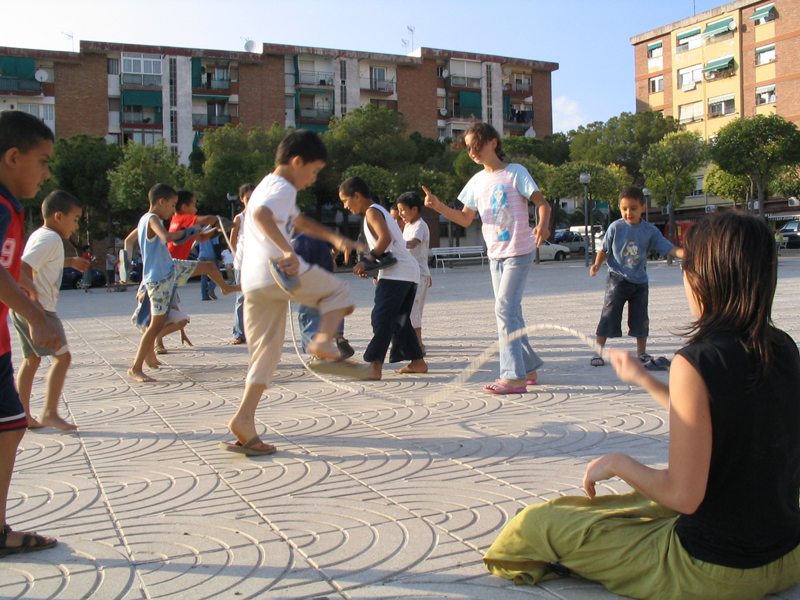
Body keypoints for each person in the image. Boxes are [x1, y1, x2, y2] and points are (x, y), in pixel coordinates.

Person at [485, 211, 800, 600]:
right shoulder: (782, 346)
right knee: (639, 503)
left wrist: (618, 463)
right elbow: (710, 417)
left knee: (538, 524)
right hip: (787, 556)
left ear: (704, 278)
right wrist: (646, 380)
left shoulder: (696, 360)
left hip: (714, 570)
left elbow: (683, 496)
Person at [222, 130, 362, 456]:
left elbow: (298, 222)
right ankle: (322, 343)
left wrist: (335, 238)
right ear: (297, 162)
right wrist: (288, 251)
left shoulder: (265, 186)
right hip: (279, 272)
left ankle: (244, 420)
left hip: (253, 283)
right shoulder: (283, 187)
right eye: (314, 171)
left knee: (265, 355)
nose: (313, 180)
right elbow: (262, 216)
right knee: (339, 293)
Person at [423, 121, 550, 394]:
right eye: (468, 148)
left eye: (477, 146)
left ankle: (513, 377)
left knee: (504, 309)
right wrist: (438, 206)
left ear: (493, 142)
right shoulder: (476, 182)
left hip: (519, 251)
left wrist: (542, 224)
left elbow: (542, 203)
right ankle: (528, 368)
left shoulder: (516, 172)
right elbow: (465, 219)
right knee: (511, 312)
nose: (472, 152)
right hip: (495, 256)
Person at [0, 110, 62, 557]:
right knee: (10, 426)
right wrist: (36, 316)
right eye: (42, 161)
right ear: (12, 157)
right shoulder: (1, 207)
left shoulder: (10, 208)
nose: (46, 173)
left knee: (11, 426)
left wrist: (24, 285)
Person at [125, 183, 238, 383]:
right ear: (161, 202)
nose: (173, 210)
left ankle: (226, 288)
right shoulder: (152, 219)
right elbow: (167, 237)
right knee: (155, 325)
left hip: (171, 268)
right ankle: (135, 368)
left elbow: (134, 240)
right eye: (172, 205)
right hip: (159, 278)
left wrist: (215, 230)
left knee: (209, 267)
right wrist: (191, 230)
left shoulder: (144, 219)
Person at [10, 190, 89, 431]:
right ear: (59, 216)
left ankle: (23, 414)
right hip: (39, 310)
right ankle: (49, 412)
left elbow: (38, 262)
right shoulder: (51, 238)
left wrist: (70, 262)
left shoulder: (41, 235)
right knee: (63, 358)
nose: (76, 226)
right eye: (75, 219)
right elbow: (22, 267)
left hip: (23, 307)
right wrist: (34, 300)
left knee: (31, 359)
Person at [339, 177, 427, 381]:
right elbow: (389, 247)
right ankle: (417, 362)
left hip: (398, 274)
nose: (345, 206)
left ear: (357, 196)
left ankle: (374, 366)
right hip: (406, 272)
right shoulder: (378, 211)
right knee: (399, 320)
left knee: (382, 319)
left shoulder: (371, 211)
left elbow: (385, 239)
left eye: (345, 200)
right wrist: (372, 268)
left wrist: (367, 261)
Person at [589, 186, 684, 367]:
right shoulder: (616, 227)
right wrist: (597, 264)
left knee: (641, 318)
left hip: (640, 282)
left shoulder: (650, 230)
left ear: (643, 208)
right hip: (617, 279)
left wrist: (687, 254)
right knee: (609, 315)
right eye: (624, 208)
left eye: (633, 208)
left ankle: (642, 352)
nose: (628, 213)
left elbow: (668, 248)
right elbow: (604, 249)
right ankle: (598, 353)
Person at [292, 233, 354, 359]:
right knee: (332, 313)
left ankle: (318, 355)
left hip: (311, 288)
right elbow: (336, 248)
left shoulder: (295, 244)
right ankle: (339, 337)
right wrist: (332, 257)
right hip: (330, 282)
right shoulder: (319, 237)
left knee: (309, 319)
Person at [395, 191, 432, 353]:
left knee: (414, 310)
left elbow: (412, 244)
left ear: (414, 209)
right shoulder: (409, 226)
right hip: (410, 274)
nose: (400, 214)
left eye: (403, 210)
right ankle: (412, 343)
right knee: (409, 310)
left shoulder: (420, 226)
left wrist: (393, 245)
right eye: (399, 210)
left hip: (418, 275)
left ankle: (418, 345)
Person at [230, 183, 254, 345]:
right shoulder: (239, 218)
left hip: (258, 263)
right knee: (241, 298)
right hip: (242, 263)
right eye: (248, 198)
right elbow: (232, 241)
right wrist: (236, 257)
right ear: (242, 199)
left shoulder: (262, 216)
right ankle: (238, 333)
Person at [167, 190, 218, 260]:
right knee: (211, 266)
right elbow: (206, 219)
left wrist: (218, 230)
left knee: (209, 266)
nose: (196, 210)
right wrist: (220, 220)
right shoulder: (184, 218)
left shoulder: (176, 220)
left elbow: (201, 238)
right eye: (194, 206)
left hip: (173, 260)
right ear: (184, 207)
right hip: (175, 262)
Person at [197, 235, 219, 300]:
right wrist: (219, 258)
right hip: (211, 256)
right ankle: (210, 288)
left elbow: (196, 246)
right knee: (217, 274)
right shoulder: (213, 233)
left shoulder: (200, 233)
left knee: (203, 277)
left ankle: (204, 296)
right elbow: (216, 246)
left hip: (201, 255)